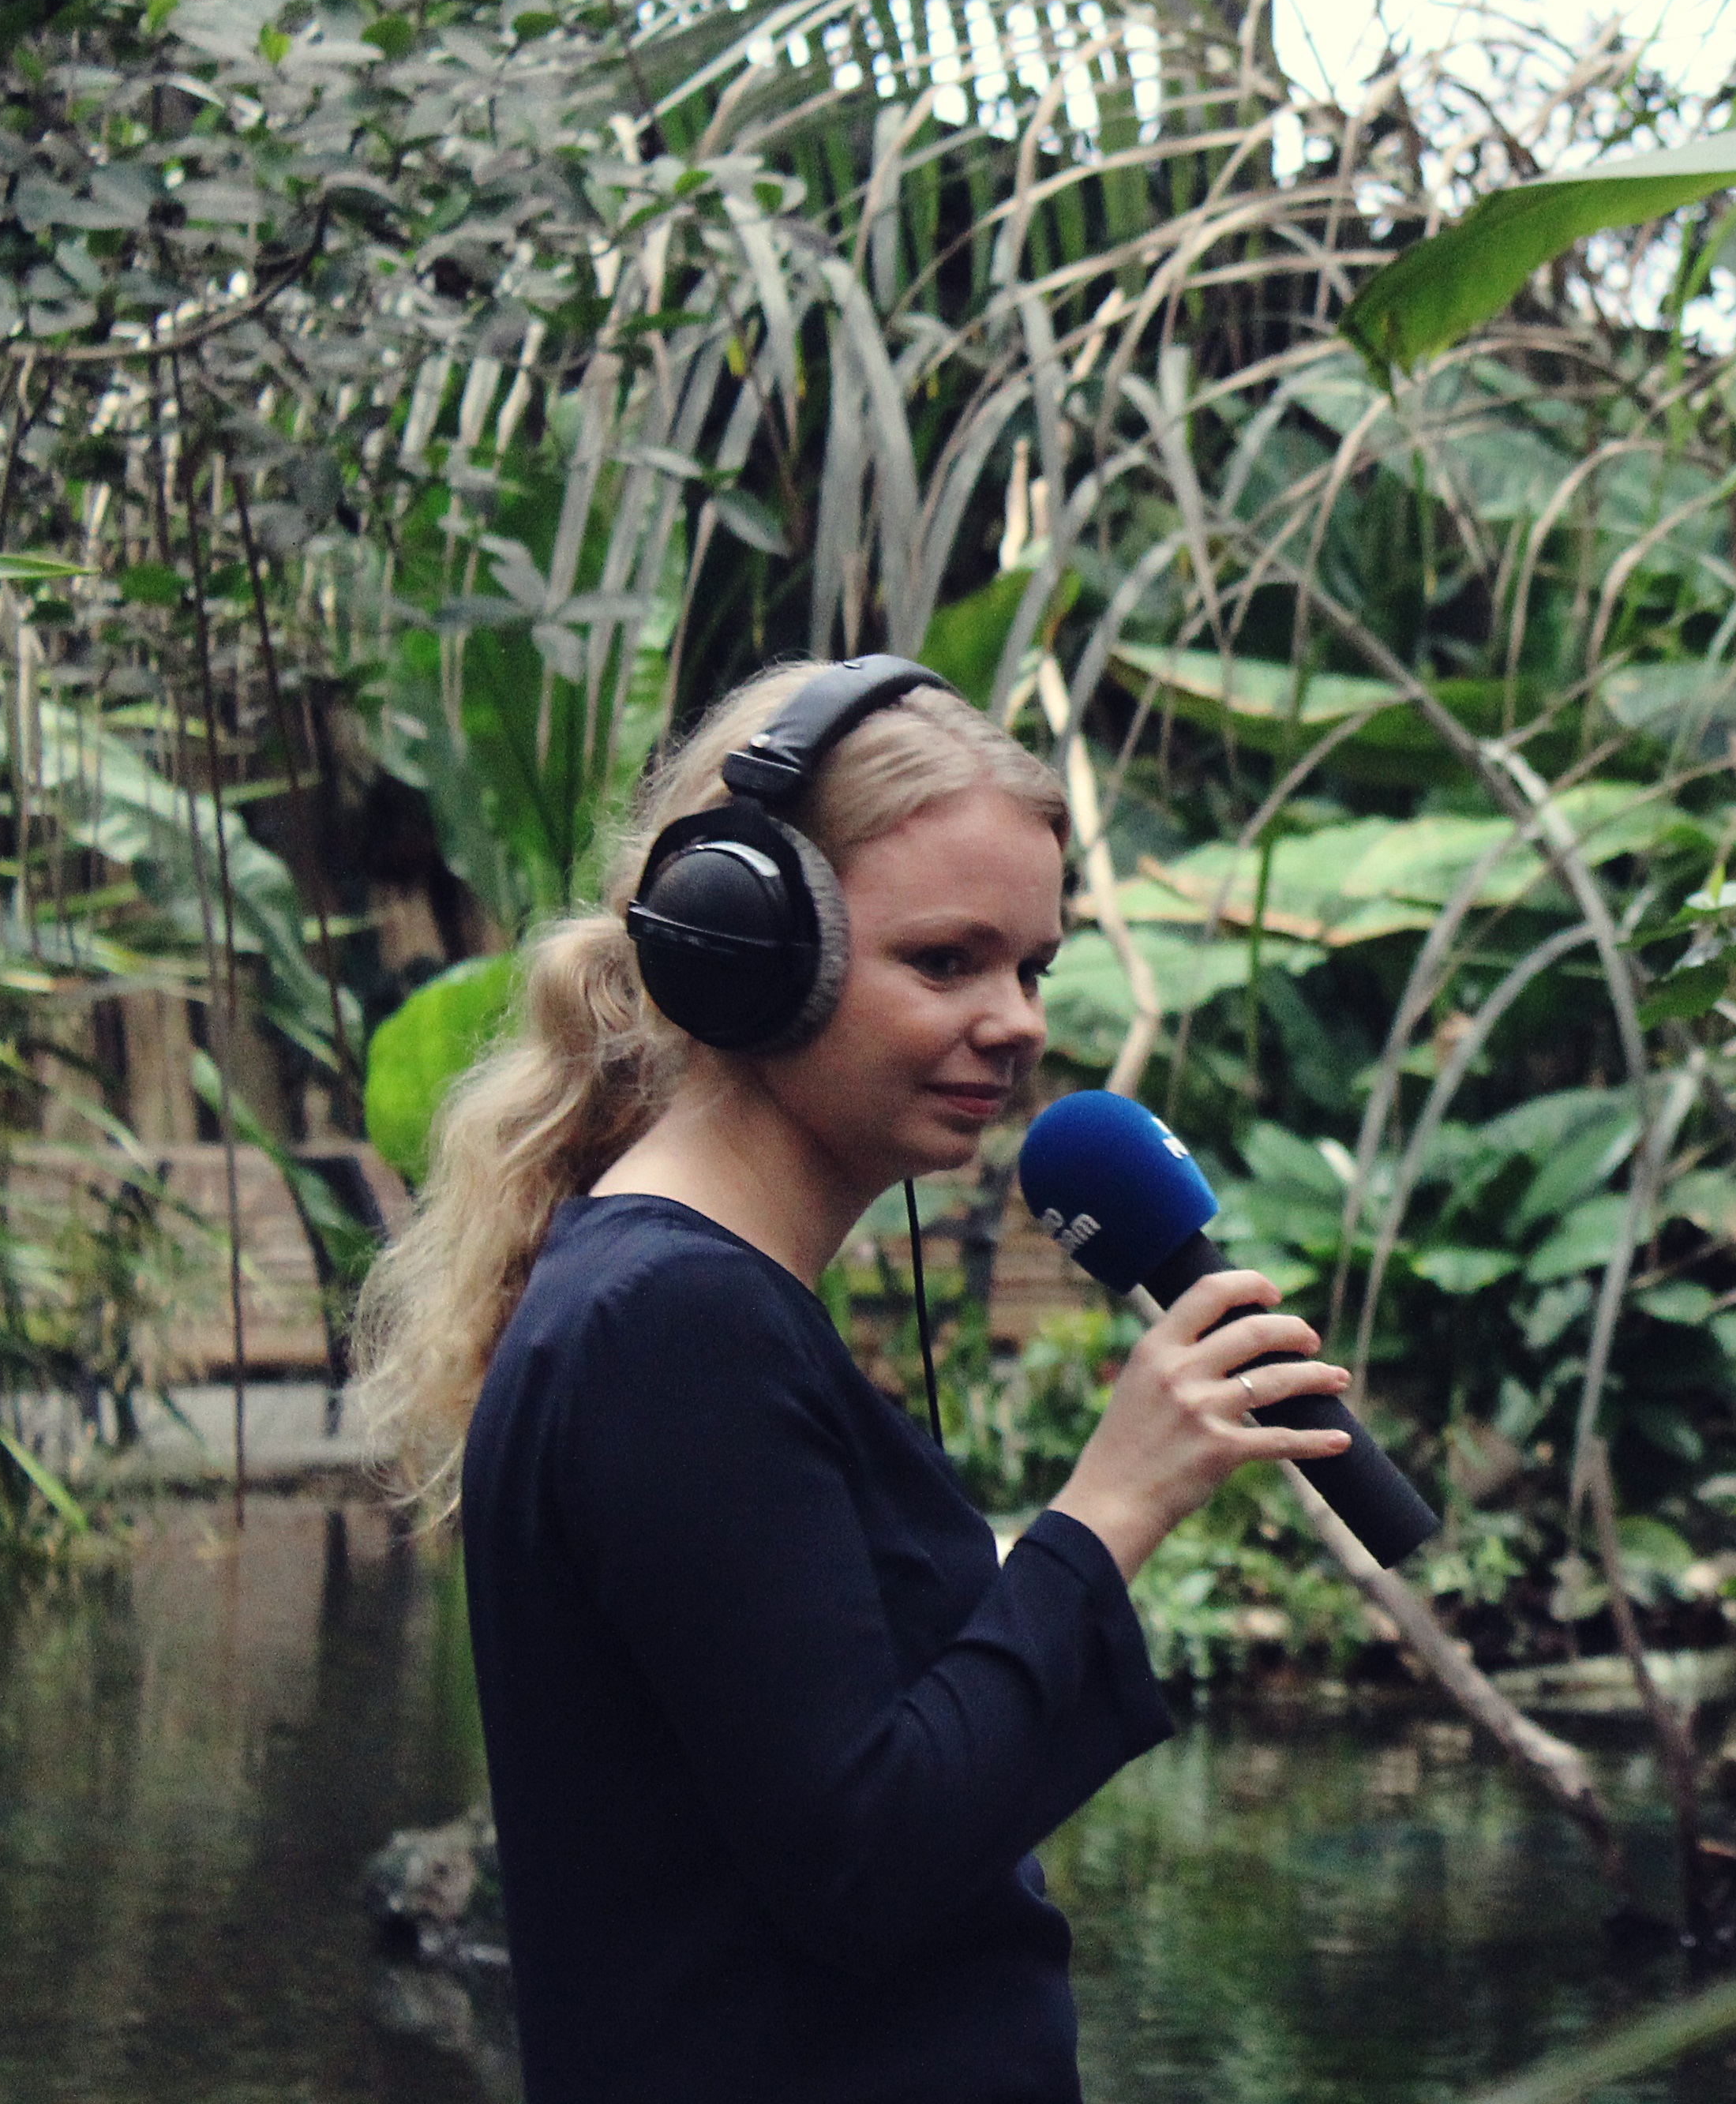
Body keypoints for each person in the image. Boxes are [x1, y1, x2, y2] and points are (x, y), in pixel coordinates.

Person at [348, 656, 1355, 2104]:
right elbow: (868, 1857)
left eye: (1031, 968)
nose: (1013, 1021)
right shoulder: (672, 1325)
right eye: (945, 961)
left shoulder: (674, 1301)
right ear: (745, 952)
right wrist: (1105, 1516)